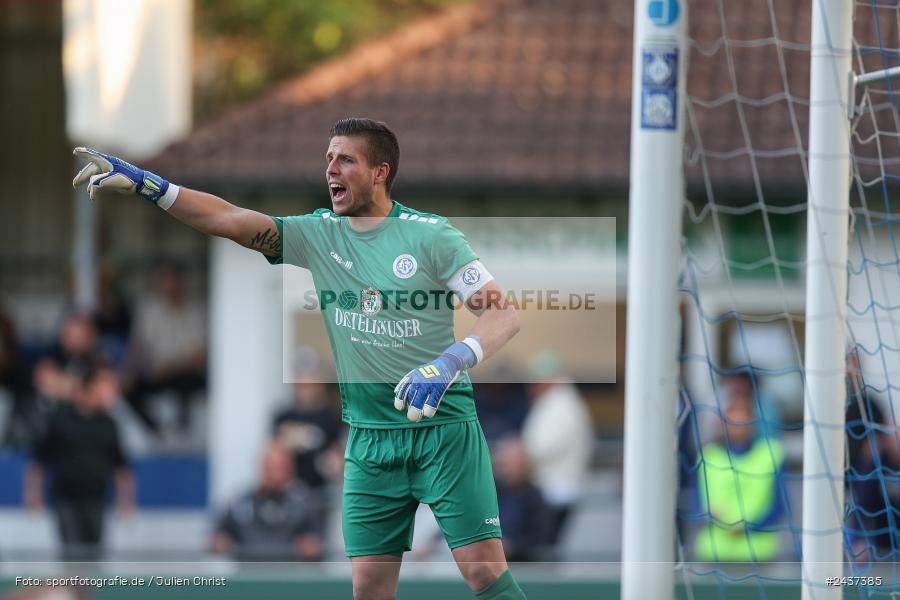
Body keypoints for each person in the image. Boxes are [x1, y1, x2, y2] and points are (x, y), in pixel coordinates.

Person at [73, 117, 526, 600]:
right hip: (371, 441)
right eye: (328, 157)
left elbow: (502, 316)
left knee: (482, 571)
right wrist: (152, 187)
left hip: (443, 431)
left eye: (346, 158)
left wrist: (450, 361)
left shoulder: (432, 236)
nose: (331, 167)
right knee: (370, 587)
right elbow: (229, 220)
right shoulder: (319, 234)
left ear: (380, 172)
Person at [24, 364, 135, 560]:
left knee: (94, 555)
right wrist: (33, 494)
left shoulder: (108, 424)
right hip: (66, 498)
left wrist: (125, 501)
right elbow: (38, 461)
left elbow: (120, 466)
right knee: (72, 554)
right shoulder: (59, 421)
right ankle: (72, 589)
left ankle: (88, 590)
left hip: (97, 498)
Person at [694, 376, 785, 562]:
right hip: (713, 554)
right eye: (733, 411)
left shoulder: (771, 454)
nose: (738, 419)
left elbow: (780, 507)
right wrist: (706, 515)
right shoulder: (707, 456)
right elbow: (696, 505)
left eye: (744, 412)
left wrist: (748, 528)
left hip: (759, 555)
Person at [124, 260, 206, 436]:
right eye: (163, 282)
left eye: (171, 281)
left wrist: (168, 369)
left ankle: (183, 431)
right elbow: (137, 345)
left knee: (187, 382)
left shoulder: (195, 310)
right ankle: (156, 431)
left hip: (186, 373)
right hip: (155, 372)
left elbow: (200, 357)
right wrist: (131, 370)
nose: (168, 287)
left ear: (180, 282)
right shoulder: (149, 310)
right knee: (128, 388)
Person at [521, 351, 592, 549]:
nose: (532, 386)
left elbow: (540, 448)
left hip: (556, 490)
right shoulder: (557, 401)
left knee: (543, 549)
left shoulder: (562, 405)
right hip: (552, 489)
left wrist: (517, 453)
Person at [211, 441, 324, 561]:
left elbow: (317, 543)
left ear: (291, 470)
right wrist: (221, 542)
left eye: (281, 468)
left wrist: (311, 547)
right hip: (248, 573)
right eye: (270, 467)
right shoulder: (241, 503)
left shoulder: (305, 505)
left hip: (289, 574)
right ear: (262, 467)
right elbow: (218, 537)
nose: (275, 473)